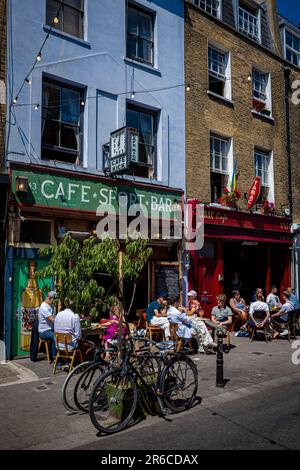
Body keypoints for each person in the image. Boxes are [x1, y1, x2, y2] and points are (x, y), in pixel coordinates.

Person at [38, 291, 57, 360]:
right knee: (56, 337)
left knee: (62, 334)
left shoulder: (50, 306)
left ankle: (61, 356)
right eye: (53, 300)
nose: (54, 302)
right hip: (44, 331)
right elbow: (52, 319)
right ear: (49, 298)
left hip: (51, 329)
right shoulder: (44, 307)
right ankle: (55, 357)